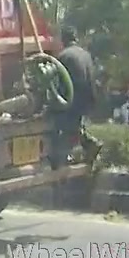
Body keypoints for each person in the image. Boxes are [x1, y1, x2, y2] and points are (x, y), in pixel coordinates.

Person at [53, 26, 102, 169]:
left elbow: (59, 83)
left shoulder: (64, 56)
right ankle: (89, 145)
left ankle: (62, 157)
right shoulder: (86, 54)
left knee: (59, 124)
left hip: (73, 100)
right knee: (74, 126)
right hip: (88, 98)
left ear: (63, 39)